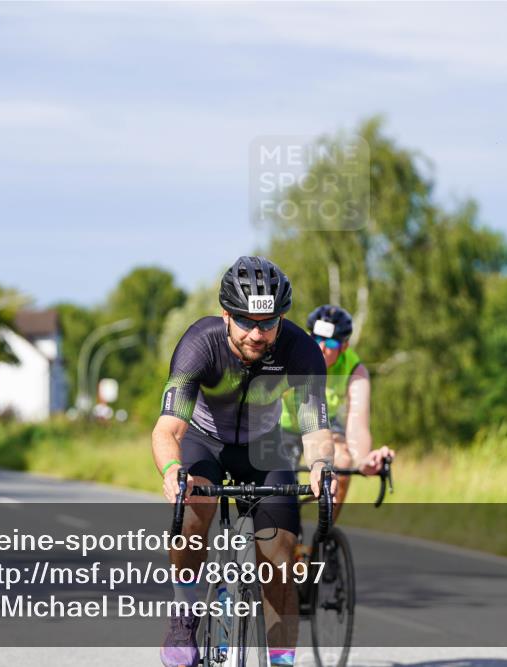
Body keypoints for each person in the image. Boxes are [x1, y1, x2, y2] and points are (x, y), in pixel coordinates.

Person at [152, 256, 336, 667]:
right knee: (195, 509)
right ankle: (184, 617)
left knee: (280, 556)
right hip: (204, 439)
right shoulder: (200, 343)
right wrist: (172, 471)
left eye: (268, 323)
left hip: (263, 445)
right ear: (226, 315)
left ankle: (282, 660)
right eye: (246, 322)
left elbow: (315, 429)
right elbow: (167, 430)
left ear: (281, 319)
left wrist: (323, 466)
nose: (257, 333)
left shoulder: (300, 349)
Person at [281, 305, 394, 518]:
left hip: (324, 426)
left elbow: (357, 423)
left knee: (342, 462)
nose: (322, 347)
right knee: (281, 484)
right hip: (284, 426)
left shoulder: (354, 368)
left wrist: (363, 459)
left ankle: (324, 534)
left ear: (344, 346)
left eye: (331, 343)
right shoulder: (292, 355)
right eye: (316, 339)